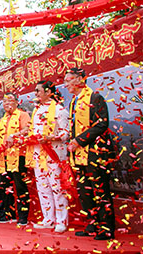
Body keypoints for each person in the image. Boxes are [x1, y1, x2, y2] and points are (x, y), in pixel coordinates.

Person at [64, 67, 115, 240]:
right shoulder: (74, 101)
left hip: (95, 153)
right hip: (78, 155)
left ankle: (106, 228)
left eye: (68, 80)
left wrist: (79, 140)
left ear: (80, 79)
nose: (66, 84)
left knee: (100, 190)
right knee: (85, 192)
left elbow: (102, 124)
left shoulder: (95, 97)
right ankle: (92, 224)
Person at [31, 81, 70, 233]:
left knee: (57, 188)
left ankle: (62, 221)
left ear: (48, 92)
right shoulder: (37, 110)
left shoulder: (59, 111)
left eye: (38, 91)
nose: (36, 94)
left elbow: (65, 134)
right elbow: (32, 131)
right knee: (43, 188)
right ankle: (48, 219)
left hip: (54, 155)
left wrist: (49, 138)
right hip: (38, 155)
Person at [0, 92, 32, 225]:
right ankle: (9, 214)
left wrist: (15, 135)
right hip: (4, 156)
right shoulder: (3, 119)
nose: (7, 104)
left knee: (20, 186)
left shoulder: (23, 115)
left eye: (10, 101)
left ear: (17, 102)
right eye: (4, 101)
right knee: (5, 185)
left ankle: (23, 215)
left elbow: (28, 130)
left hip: (18, 155)